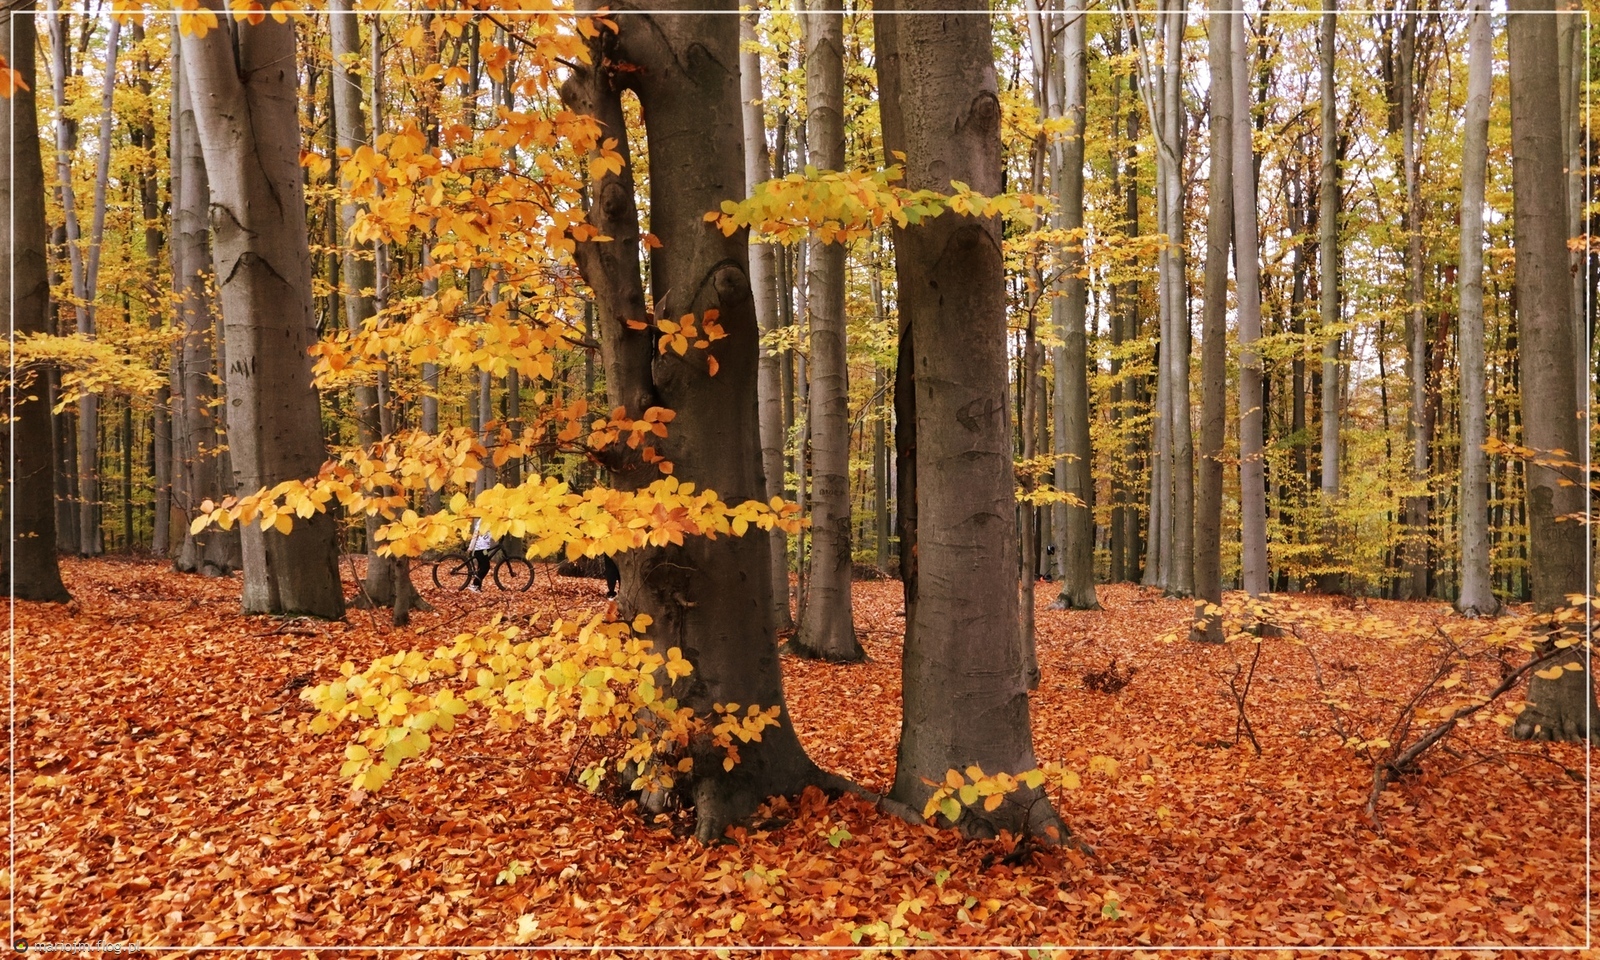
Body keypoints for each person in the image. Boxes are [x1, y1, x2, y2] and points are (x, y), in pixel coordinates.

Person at [467, 518, 494, 592]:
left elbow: (492, 535)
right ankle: (474, 585)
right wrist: (470, 547)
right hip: (480, 549)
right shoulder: (481, 521)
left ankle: (477, 587)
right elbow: (475, 535)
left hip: (485, 550)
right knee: (486, 567)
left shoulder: (493, 520)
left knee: (481, 567)